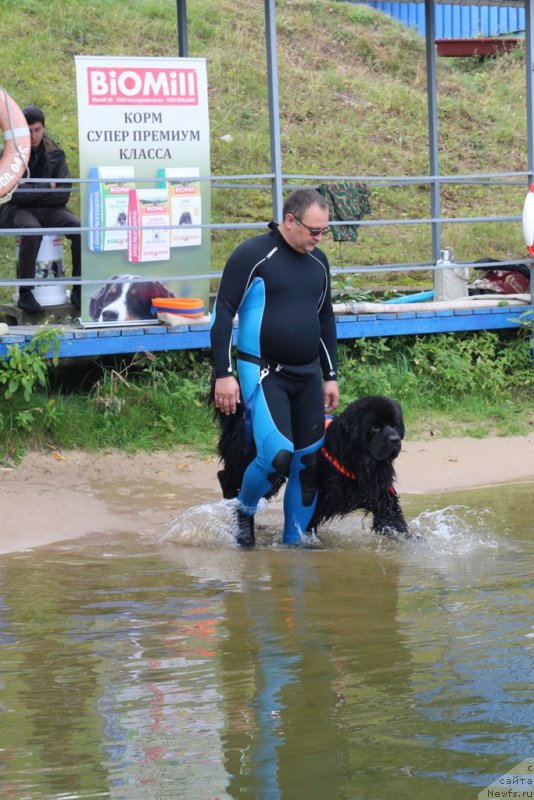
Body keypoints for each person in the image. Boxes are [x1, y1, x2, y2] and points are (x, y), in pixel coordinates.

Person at [210, 188, 339, 547]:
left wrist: (331, 376)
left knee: (308, 463)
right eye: (314, 230)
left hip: (308, 375)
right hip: (265, 372)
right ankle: (244, 513)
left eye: (323, 231)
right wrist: (224, 373)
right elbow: (222, 312)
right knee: (276, 456)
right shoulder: (254, 254)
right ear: (289, 220)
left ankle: (293, 546)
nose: (318, 238)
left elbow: (325, 318)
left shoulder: (319, 262)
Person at [0, 105, 81, 314]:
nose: (34, 135)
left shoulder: (56, 153)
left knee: (78, 228)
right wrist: (47, 186)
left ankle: (79, 289)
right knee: (32, 229)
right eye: (28, 130)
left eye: (37, 130)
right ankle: (26, 293)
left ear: (43, 128)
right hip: (16, 209)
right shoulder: (8, 155)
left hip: (51, 208)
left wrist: (31, 190)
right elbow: (11, 191)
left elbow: (63, 192)